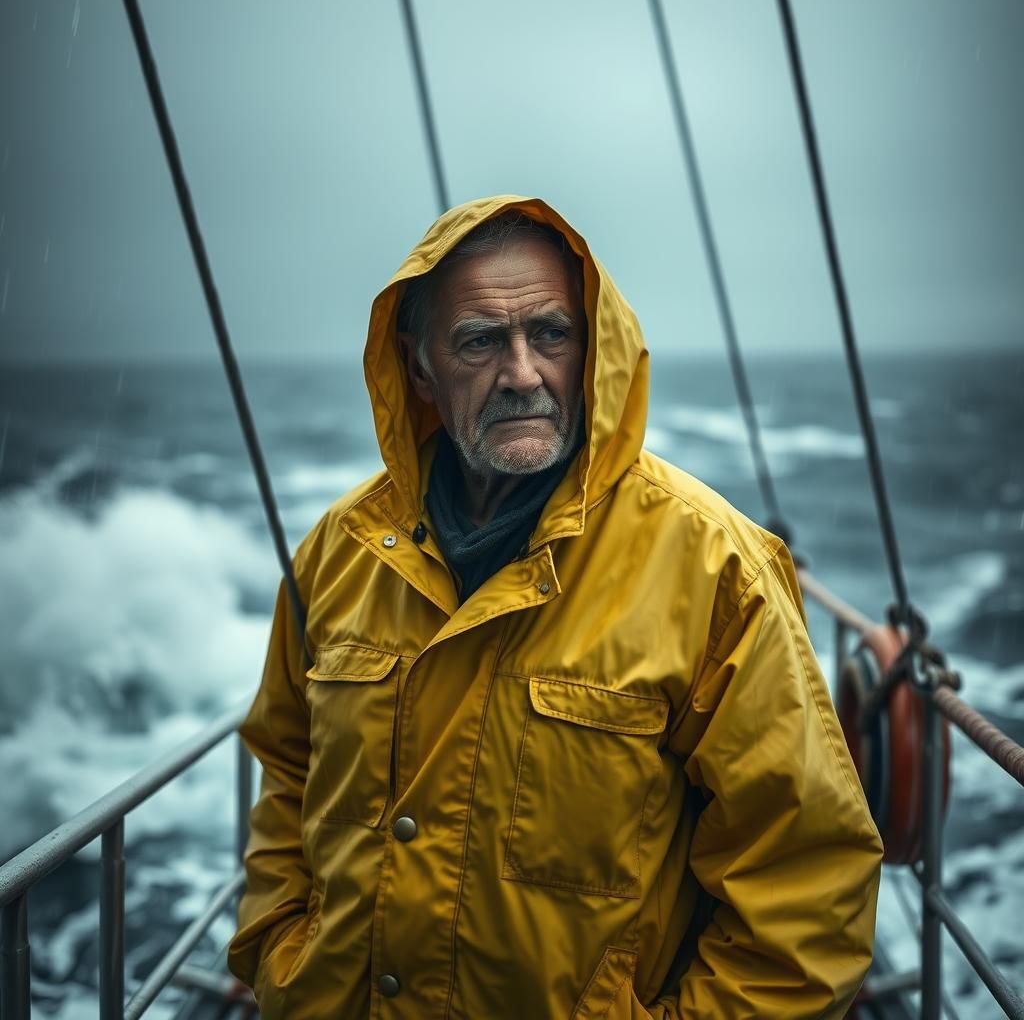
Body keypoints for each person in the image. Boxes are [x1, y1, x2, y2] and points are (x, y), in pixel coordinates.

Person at [227, 195, 883, 1019]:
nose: (523, 373)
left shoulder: (715, 567)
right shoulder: (342, 552)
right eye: (478, 341)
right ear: (419, 364)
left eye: (551, 334)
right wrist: (283, 955)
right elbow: (289, 771)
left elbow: (805, 877)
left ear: (594, 348)